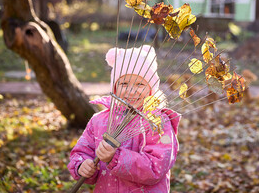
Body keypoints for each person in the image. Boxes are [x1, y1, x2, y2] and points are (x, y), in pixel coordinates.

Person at [68, 45, 180, 193]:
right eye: (124, 83)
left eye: (139, 84)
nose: (131, 90)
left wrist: (115, 157)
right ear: (114, 87)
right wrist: (82, 166)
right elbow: (82, 151)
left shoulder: (158, 123)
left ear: (151, 88)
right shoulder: (99, 120)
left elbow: (156, 166)